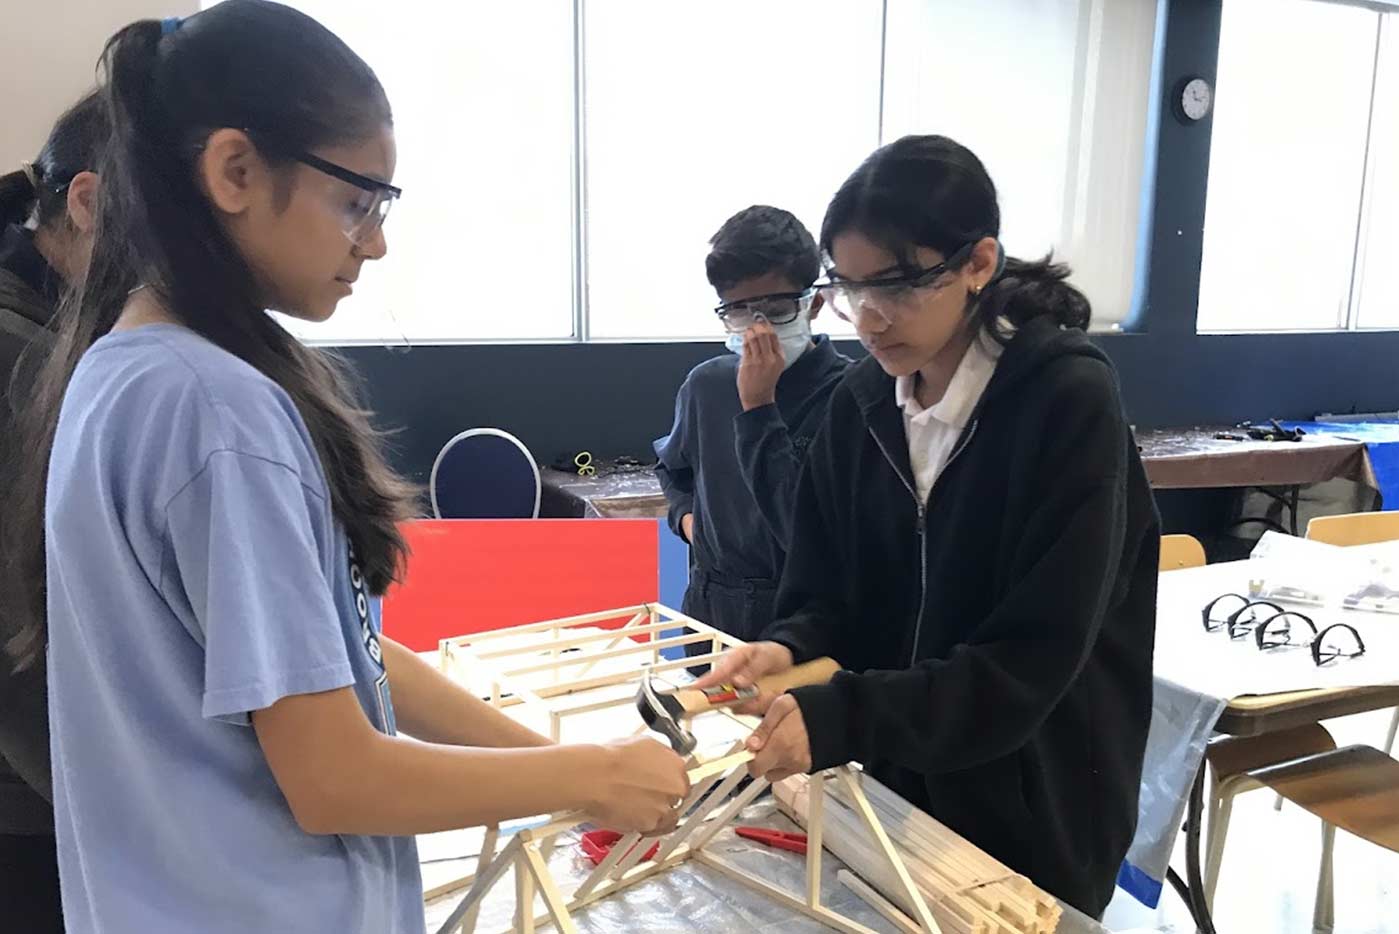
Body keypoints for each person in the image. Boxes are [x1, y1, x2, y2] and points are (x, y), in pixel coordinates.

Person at [0, 5, 688, 932]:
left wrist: (554, 764)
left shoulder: (120, 369)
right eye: (358, 201)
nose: (374, 243)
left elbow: (341, 652)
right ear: (235, 170)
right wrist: (591, 775)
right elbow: (333, 777)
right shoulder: (213, 406)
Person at [697, 135, 1159, 918]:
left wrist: (839, 715)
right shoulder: (862, 406)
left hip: (1036, 806)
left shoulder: (1064, 406)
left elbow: (1028, 666)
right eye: (850, 288)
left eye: (899, 287)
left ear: (978, 263)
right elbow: (827, 590)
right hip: (892, 788)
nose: (870, 320)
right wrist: (788, 645)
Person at [655, 206, 851, 656]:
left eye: (777, 309)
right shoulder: (707, 385)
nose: (759, 328)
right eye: (741, 312)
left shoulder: (848, 396)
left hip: (798, 620)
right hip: (710, 606)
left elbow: (806, 534)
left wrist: (759, 407)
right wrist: (687, 521)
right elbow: (673, 468)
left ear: (813, 304)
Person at [0, 90, 105, 934]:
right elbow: (19, 641)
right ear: (86, 203)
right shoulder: (22, 364)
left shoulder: (64, 342)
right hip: (30, 810)